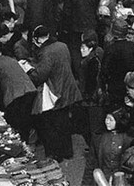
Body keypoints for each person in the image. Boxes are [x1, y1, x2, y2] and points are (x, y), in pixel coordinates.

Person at [25, 24, 82, 162]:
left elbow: (40, 75)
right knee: (64, 122)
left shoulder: (46, 52)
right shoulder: (62, 45)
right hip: (68, 87)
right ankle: (67, 151)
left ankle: (55, 154)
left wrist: (28, 69)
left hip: (55, 92)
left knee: (51, 124)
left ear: (38, 39)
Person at [0, 41, 36, 141]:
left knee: (16, 122)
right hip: (30, 89)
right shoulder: (10, 59)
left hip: (15, 94)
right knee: (26, 119)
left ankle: (20, 143)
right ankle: (27, 142)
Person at [91, 107, 134, 180]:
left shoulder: (131, 138)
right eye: (106, 118)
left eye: (111, 120)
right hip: (104, 177)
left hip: (123, 178)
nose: (107, 122)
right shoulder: (99, 136)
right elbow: (91, 162)